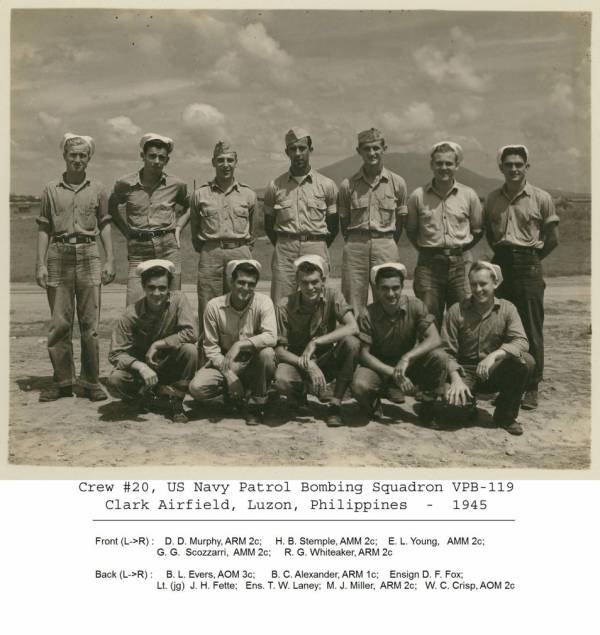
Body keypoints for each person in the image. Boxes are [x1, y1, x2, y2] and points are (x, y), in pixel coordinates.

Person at [35, 133, 115, 402]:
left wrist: (110, 259)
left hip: (89, 255)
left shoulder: (98, 189)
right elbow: (44, 227)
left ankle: (91, 381)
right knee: (60, 323)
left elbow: (104, 223)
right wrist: (40, 263)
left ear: (89, 158)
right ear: (65, 157)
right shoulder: (50, 189)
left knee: (90, 325)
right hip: (58, 254)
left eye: (83, 155)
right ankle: (62, 382)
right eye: (73, 155)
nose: (77, 160)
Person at [484, 144, 559, 411]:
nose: (514, 169)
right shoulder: (492, 198)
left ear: (527, 167)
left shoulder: (541, 197)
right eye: (509, 164)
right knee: (501, 324)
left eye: (519, 164)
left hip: (529, 263)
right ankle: (505, 381)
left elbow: (553, 238)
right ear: (501, 167)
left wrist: (532, 260)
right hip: (501, 262)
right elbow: (490, 235)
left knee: (530, 325)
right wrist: (504, 256)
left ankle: (531, 386)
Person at [443, 261, 535, 436]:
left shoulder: (507, 309)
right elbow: (445, 352)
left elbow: (522, 341)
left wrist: (495, 355)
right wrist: (455, 379)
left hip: (493, 369)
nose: (478, 290)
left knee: (526, 362)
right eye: (473, 284)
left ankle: (505, 416)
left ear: (495, 283)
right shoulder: (456, 310)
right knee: (452, 414)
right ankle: (468, 406)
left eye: (483, 284)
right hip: (464, 372)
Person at [351, 263, 448, 421]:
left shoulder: (415, 305)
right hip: (379, 367)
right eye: (384, 288)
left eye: (395, 287)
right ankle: (373, 402)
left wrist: (406, 358)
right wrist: (393, 373)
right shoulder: (367, 313)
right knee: (360, 385)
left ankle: (428, 403)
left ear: (403, 287)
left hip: (408, 364)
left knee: (440, 356)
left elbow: (435, 338)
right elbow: (364, 355)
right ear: (376, 288)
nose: (390, 293)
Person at [274, 254, 360, 427]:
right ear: (297, 283)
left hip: (325, 359)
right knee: (281, 378)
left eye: (315, 282)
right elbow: (279, 350)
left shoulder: (333, 294)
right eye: (304, 282)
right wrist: (307, 364)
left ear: (323, 280)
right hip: (298, 362)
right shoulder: (284, 305)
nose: (310, 287)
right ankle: (301, 395)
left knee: (352, 343)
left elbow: (353, 327)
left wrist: (316, 342)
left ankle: (335, 404)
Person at [107, 260, 198, 423]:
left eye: (162, 288)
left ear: (169, 288)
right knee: (115, 379)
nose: (157, 293)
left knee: (190, 350)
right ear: (143, 287)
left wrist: (158, 344)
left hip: (170, 365)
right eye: (151, 287)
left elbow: (191, 333)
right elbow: (116, 353)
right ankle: (144, 396)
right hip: (144, 371)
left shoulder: (178, 301)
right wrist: (140, 366)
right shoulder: (131, 314)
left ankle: (175, 401)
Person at [189, 260, 277, 425]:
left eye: (251, 284)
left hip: (253, 362)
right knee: (197, 388)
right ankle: (233, 398)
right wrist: (229, 376)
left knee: (267, 354)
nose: (245, 288)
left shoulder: (264, 302)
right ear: (231, 282)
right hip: (225, 362)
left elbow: (271, 336)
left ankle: (255, 405)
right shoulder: (214, 306)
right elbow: (211, 348)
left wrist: (240, 344)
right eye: (241, 282)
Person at [406, 141, 483, 330]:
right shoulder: (418, 196)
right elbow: (411, 230)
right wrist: (428, 250)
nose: (444, 168)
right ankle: (432, 357)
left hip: (461, 263)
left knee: (465, 315)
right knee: (428, 317)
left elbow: (478, 230)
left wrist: (460, 250)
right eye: (439, 163)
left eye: (449, 163)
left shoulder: (469, 195)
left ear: (457, 166)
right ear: (432, 165)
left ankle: (462, 358)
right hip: (428, 265)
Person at [109, 133, 189, 306]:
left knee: (173, 302)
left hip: (168, 247)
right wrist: (126, 232)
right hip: (139, 250)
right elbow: (111, 207)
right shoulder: (125, 184)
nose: (156, 161)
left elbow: (191, 206)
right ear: (142, 156)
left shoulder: (177, 185)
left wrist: (179, 226)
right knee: (134, 304)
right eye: (152, 156)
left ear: (167, 160)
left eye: (162, 157)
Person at [263, 128, 339, 304]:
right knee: (281, 300)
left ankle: (320, 333)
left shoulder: (327, 185)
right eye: (293, 149)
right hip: (285, 248)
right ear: (287, 152)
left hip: (316, 245)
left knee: (319, 298)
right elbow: (269, 225)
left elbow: (333, 226)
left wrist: (315, 242)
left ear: (310, 150)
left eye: (302, 148)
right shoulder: (275, 186)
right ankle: (281, 332)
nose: (298, 153)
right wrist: (286, 242)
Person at [338, 128, 408, 315]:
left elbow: (401, 220)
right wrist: (356, 239)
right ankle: (354, 340)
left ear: (384, 148)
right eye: (367, 149)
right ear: (359, 151)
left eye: (376, 148)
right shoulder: (348, 185)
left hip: (385, 242)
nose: (372, 153)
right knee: (352, 298)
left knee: (388, 295)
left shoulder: (397, 183)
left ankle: (386, 342)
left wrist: (386, 239)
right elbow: (343, 222)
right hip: (355, 245)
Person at [189, 141, 257, 328]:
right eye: (220, 160)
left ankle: (242, 352)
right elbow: (195, 229)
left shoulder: (248, 194)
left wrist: (242, 248)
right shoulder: (200, 194)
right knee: (208, 304)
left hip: (240, 252)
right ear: (213, 162)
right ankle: (207, 354)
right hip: (211, 254)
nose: (225, 164)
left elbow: (253, 231)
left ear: (236, 162)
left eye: (229, 160)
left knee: (242, 303)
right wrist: (209, 247)